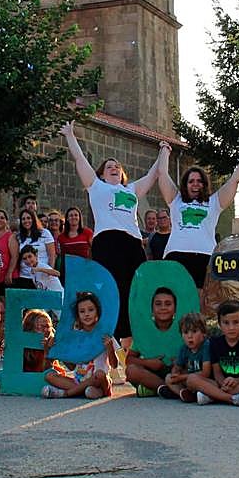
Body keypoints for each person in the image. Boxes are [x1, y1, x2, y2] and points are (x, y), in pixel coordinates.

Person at [60, 120, 167, 343]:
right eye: (109, 166)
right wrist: (70, 135)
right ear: (101, 174)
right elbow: (80, 159)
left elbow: (153, 174)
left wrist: (164, 151)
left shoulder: (131, 189)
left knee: (134, 290)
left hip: (132, 243)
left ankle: (131, 339)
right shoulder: (96, 186)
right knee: (110, 290)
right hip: (107, 242)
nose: (114, 168)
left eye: (117, 166)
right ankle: (110, 339)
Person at [160, 151, 239, 289]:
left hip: (205, 257)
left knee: (203, 301)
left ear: (204, 184)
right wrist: (165, 151)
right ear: (185, 185)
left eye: (199, 181)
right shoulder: (176, 200)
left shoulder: (214, 202)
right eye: (191, 181)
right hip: (176, 256)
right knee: (175, 299)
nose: (195, 184)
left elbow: (234, 179)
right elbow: (162, 174)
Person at [188, 300, 239, 406]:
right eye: (226, 323)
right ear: (219, 325)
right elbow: (217, 372)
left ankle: (213, 396)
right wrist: (223, 383)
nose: (231, 327)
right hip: (220, 384)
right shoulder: (215, 343)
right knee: (191, 379)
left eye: (236, 322)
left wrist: (237, 380)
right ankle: (231, 399)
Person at [42, 292, 112, 399]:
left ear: (97, 312)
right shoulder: (76, 335)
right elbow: (72, 367)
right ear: (78, 315)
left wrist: (110, 347)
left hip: (99, 381)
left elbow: (115, 365)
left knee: (100, 374)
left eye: (91, 310)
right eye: (82, 311)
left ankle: (66, 394)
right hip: (78, 381)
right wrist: (56, 348)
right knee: (49, 376)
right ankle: (84, 391)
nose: (87, 314)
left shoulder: (104, 334)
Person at [126, 287, 178, 396]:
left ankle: (154, 388)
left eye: (168, 304)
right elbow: (129, 359)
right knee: (131, 371)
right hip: (151, 372)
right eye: (158, 304)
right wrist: (149, 363)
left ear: (175, 309)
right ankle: (164, 388)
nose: (163, 307)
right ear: (152, 309)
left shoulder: (182, 328)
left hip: (176, 371)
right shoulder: (144, 331)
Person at [164, 312, 207, 402]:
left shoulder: (206, 346)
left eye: (194, 331)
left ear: (203, 333)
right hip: (188, 380)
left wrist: (182, 377)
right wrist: (175, 374)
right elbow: (177, 367)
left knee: (193, 380)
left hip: (204, 381)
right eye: (186, 332)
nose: (190, 336)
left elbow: (205, 373)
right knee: (168, 378)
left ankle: (180, 393)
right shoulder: (184, 349)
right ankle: (184, 394)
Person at [9, 211, 57, 285]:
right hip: (25, 276)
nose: (26, 221)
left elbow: (52, 256)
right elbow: (15, 256)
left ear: (34, 219)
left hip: (42, 276)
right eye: (23, 219)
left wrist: (49, 273)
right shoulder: (18, 237)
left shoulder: (45, 233)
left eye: (28, 218)